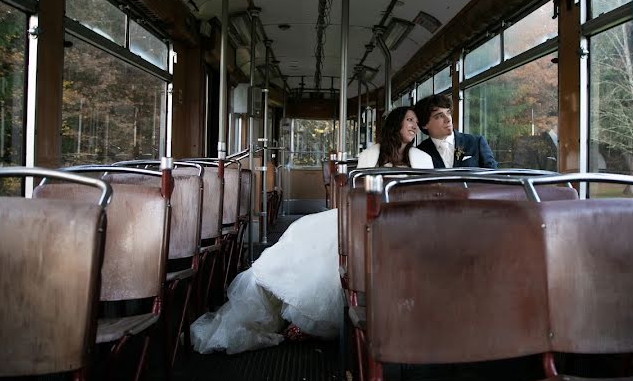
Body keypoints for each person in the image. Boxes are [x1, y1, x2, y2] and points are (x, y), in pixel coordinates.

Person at [190, 107, 432, 354]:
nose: (414, 125)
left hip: (405, 225)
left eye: (415, 121)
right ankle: (300, 314)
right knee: (306, 233)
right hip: (367, 220)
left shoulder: (423, 160)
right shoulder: (371, 156)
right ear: (395, 125)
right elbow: (358, 195)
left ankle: (313, 320)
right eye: (409, 120)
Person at [413, 94, 498, 168]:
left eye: (448, 113)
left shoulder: (476, 142)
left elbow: (495, 178)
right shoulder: (420, 152)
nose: (448, 119)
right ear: (424, 124)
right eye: (439, 116)